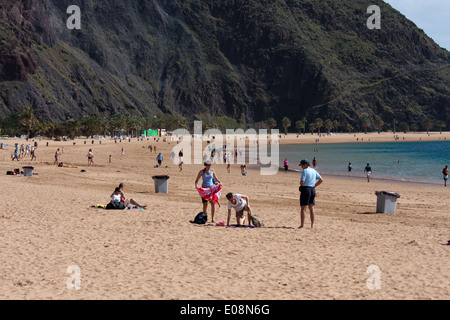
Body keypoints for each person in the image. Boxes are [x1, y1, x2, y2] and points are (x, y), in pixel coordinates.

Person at [299, 159, 323, 229]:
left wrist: (301, 184)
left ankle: (302, 225)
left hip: (306, 189)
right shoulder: (314, 170)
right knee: (311, 207)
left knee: (303, 207)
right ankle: (312, 225)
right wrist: (314, 186)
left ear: (305, 164)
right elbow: (321, 180)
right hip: (312, 189)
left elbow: (302, 181)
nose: (301, 167)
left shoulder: (305, 171)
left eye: (302, 165)